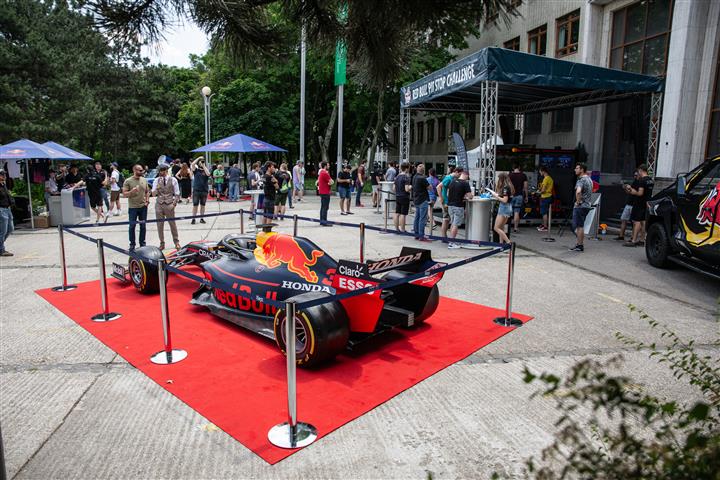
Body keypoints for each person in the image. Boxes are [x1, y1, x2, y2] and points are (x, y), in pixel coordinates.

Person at [624, 164, 654, 247]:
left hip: (639, 203)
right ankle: (642, 240)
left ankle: (633, 240)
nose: (638, 173)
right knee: (643, 222)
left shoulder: (642, 181)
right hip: (647, 203)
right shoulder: (650, 180)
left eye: (638, 171)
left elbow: (640, 193)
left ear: (641, 170)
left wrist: (631, 190)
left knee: (637, 222)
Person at [152, 163, 181, 250]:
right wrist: (157, 188)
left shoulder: (173, 180)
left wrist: (174, 204)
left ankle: (176, 242)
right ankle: (162, 243)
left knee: (172, 224)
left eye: (163, 171)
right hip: (159, 204)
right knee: (159, 225)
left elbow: (177, 193)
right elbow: (153, 194)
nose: (161, 173)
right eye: (160, 171)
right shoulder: (156, 180)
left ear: (166, 171)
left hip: (169, 204)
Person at [122, 164, 150, 252]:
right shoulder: (128, 181)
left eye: (142, 170)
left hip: (143, 207)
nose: (141, 172)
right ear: (134, 170)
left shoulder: (144, 180)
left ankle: (142, 244)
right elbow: (124, 194)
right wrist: (132, 191)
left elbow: (147, 191)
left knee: (143, 226)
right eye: (139, 170)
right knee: (132, 226)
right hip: (133, 207)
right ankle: (132, 244)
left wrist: (147, 201)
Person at [570, 163, 593, 252]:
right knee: (580, 225)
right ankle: (580, 244)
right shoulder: (589, 179)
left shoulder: (581, 180)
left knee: (577, 226)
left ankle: (580, 245)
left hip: (581, 206)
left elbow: (578, 192)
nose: (575, 170)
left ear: (582, 169)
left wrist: (578, 202)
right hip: (587, 205)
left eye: (577, 168)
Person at [447, 169, 473, 249]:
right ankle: (451, 243)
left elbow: (449, 193)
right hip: (458, 206)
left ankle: (451, 240)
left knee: (452, 223)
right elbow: (470, 196)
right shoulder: (465, 183)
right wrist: (468, 196)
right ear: (466, 175)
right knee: (456, 224)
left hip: (450, 205)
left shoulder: (453, 181)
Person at [490, 172, 515, 244]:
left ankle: (508, 242)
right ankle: (501, 244)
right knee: (501, 227)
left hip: (504, 207)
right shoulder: (510, 186)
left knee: (496, 228)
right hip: (508, 207)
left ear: (502, 179)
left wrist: (496, 197)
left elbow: (504, 200)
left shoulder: (505, 188)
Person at [614, 170, 638, 241]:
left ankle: (632, 237)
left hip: (635, 205)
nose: (635, 177)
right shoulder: (634, 182)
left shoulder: (640, 183)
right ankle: (621, 236)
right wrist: (626, 187)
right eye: (634, 175)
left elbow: (636, 193)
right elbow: (629, 192)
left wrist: (629, 188)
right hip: (629, 204)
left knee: (634, 222)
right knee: (623, 219)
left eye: (636, 175)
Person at [437, 167, 459, 241]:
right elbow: (438, 187)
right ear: (456, 172)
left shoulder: (452, 179)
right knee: (446, 220)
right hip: (446, 203)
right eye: (459, 174)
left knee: (447, 220)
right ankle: (444, 237)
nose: (459, 176)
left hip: (449, 202)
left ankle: (445, 237)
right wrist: (442, 199)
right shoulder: (448, 178)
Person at [411, 164, 432, 241]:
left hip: (416, 199)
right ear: (423, 171)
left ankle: (416, 234)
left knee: (417, 217)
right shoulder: (423, 178)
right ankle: (421, 235)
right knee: (422, 218)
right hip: (423, 199)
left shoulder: (414, 177)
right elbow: (429, 188)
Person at [508, 163, 528, 233]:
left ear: (513, 168)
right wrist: (526, 196)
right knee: (517, 212)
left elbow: (508, 186)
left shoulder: (510, 175)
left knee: (508, 212)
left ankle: (507, 227)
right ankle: (516, 228)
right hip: (519, 196)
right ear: (519, 167)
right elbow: (525, 187)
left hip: (511, 195)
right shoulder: (523, 175)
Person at [191, 156, 210, 224]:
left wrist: (204, 165)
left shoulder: (206, 169)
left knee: (203, 205)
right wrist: (198, 158)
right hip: (196, 190)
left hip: (204, 190)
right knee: (195, 205)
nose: (201, 163)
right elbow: (192, 164)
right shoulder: (196, 170)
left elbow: (208, 174)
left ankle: (202, 218)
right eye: (200, 162)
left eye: (202, 162)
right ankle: (193, 218)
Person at [394, 162, 412, 232]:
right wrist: (411, 187)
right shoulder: (406, 177)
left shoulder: (397, 176)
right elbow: (407, 189)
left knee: (397, 213)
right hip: (404, 197)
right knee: (403, 214)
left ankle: (396, 229)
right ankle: (403, 229)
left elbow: (394, 188)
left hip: (398, 196)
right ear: (407, 168)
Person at [0, 170, 15, 256]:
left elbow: (8, 195)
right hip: (1, 210)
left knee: (10, 228)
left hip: (8, 209)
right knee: (3, 231)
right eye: (2, 174)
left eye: (4, 174)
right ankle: (1, 250)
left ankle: (0, 246)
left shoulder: (4, 184)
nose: (4, 176)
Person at [536, 166, 554, 232]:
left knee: (544, 212)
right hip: (549, 196)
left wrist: (538, 192)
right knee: (545, 211)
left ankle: (545, 226)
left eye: (540, 171)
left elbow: (543, 190)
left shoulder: (546, 178)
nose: (540, 173)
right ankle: (543, 224)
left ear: (543, 171)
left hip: (545, 197)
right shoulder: (550, 178)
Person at [317, 161, 334, 226]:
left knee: (323, 207)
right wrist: (330, 182)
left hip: (322, 192)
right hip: (325, 192)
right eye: (328, 165)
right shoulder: (325, 173)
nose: (329, 166)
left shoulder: (321, 172)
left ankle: (322, 221)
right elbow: (331, 181)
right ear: (325, 166)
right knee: (325, 207)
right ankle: (324, 222)